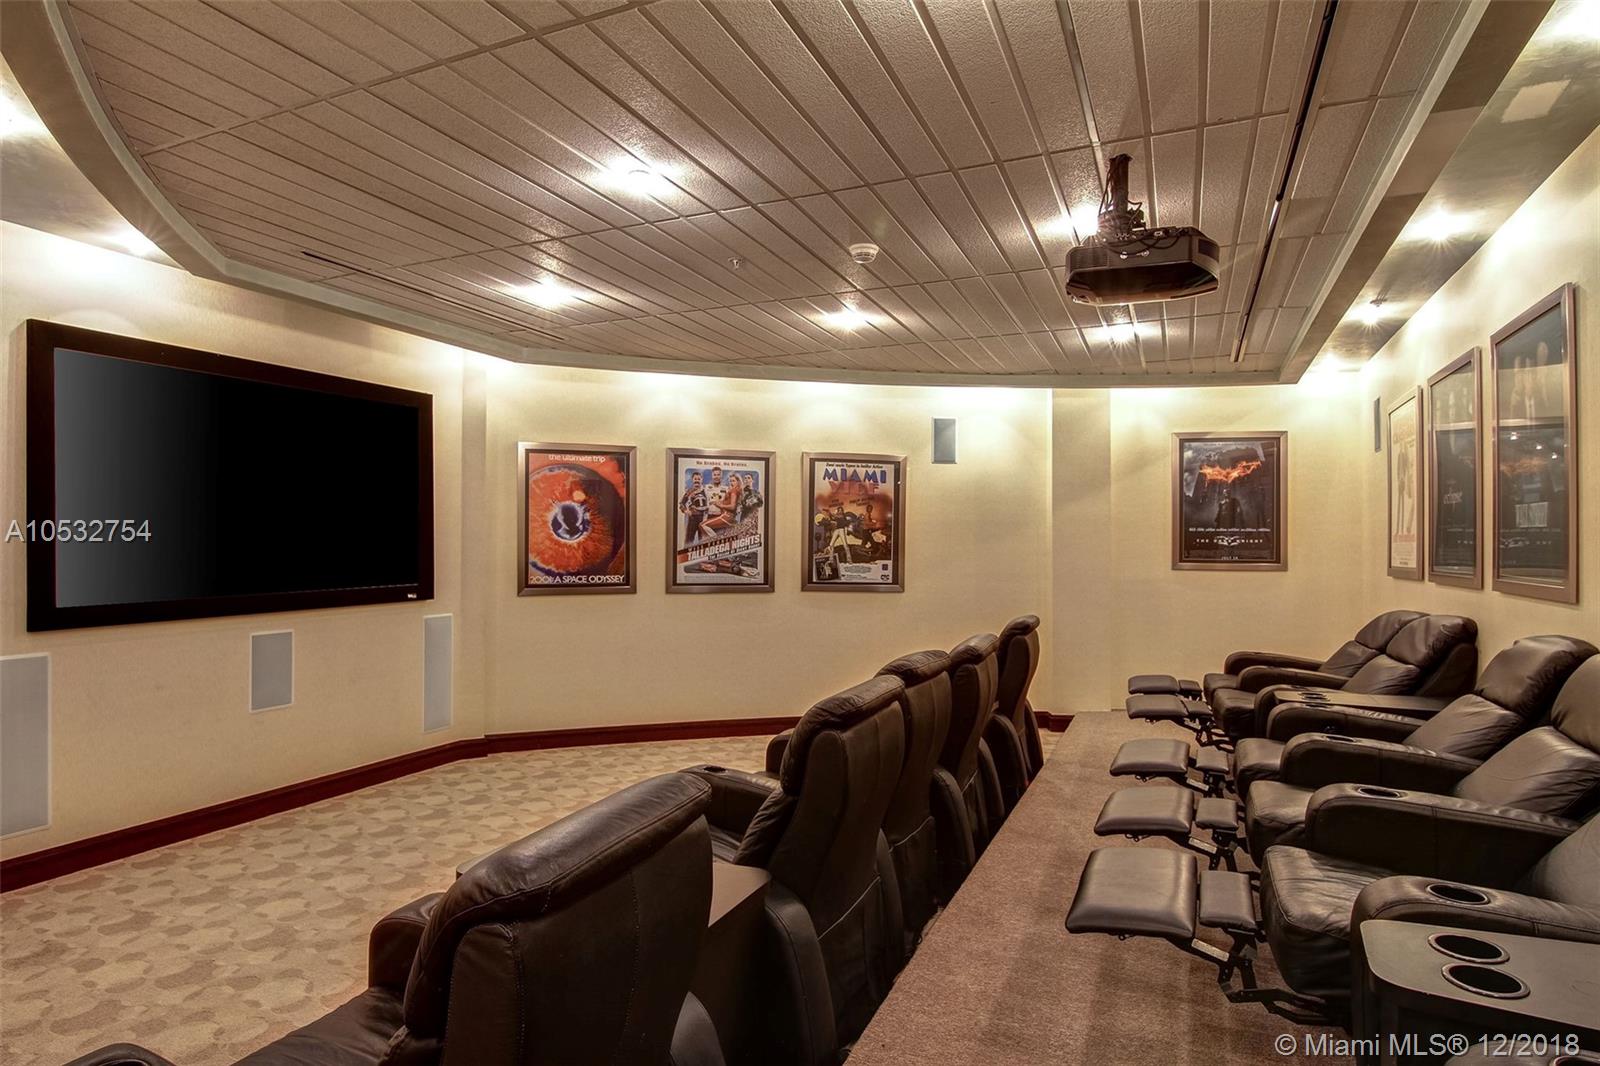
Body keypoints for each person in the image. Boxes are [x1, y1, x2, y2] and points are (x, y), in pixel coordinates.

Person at [678, 470, 708, 544]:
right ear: (692, 480)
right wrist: (686, 511)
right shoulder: (689, 492)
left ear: (702, 480)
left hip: (703, 518)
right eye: (695, 479)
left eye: (699, 479)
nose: (697, 480)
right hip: (692, 518)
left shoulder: (706, 490)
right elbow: (681, 504)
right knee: (689, 540)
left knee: (703, 541)